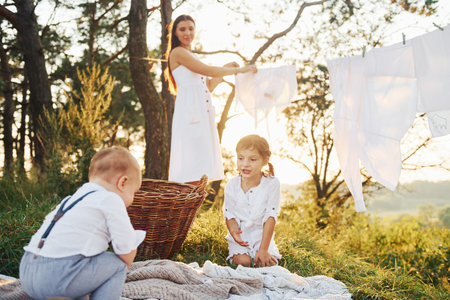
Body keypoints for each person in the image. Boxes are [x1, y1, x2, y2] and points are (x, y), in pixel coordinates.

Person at [19, 146, 143, 300]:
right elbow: (126, 253)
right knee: (116, 265)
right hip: (56, 277)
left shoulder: (71, 200)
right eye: (134, 192)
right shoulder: (111, 199)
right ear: (123, 182)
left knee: (86, 265)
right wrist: (131, 251)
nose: (132, 200)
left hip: (27, 271)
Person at [164, 14, 257, 183]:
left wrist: (226, 68)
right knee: (191, 163)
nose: (187, 33)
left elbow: (209, 86)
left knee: (201, 163)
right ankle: (186, 205)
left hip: (202, 109)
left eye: (191, 28)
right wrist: (241, 70)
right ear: (175, 33)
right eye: (182, 29)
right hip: (190, 111)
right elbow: (208, 70)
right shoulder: (178, 53)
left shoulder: (191, 55)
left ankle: (193, 206)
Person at [223, 134, 282, 267]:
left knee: (266, 263)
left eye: (252, 159)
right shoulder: (232, 185)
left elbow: (270, 216)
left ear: (265, 160)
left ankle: (263, 251)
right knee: (244, 262)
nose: (245, 164)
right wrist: (234, 233)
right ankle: (242, 253)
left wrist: (263, 250)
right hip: (241, 236)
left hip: (262, 236)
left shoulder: (272, 184)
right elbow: (229, 214)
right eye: (240, 158)